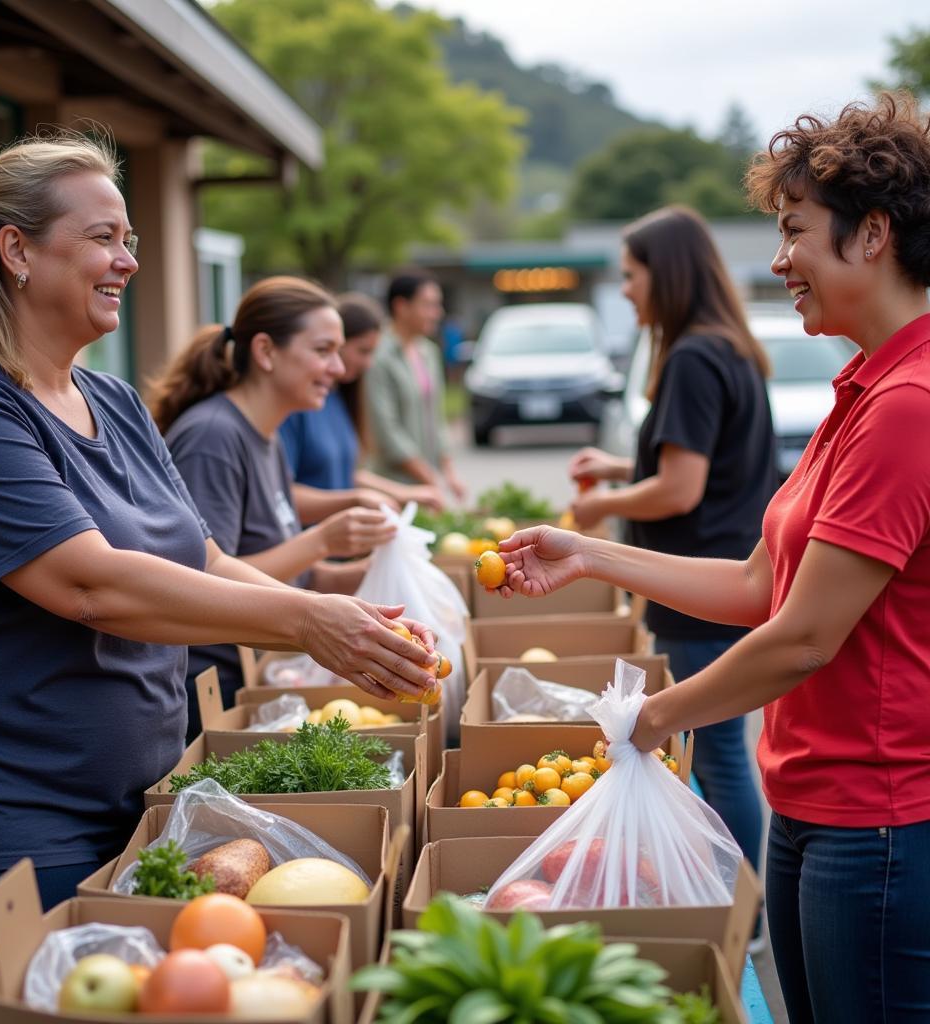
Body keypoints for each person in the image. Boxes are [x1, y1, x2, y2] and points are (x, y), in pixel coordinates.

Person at [0, 136, 437, 1024]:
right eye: (106, 238)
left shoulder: (109, 399)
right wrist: (308, 623)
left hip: (143, 805)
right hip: (5, 824)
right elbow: (90, 586)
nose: (129, 261)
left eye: (133, 240)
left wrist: (333, 615)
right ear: (17, 251)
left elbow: (204, 557)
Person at [498, 93, 930, 1022]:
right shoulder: (861, 391)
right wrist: (591, 555)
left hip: (882, 818)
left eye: (795, 231)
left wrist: (654, 719)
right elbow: (759, 586)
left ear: (874, 236)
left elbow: (805, 638)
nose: (778, 261)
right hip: (812, 801)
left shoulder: (908, 406)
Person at [565, 205, 775, 889]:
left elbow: (682, 490)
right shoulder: (728, 347)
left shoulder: (690, 358)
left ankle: (736, 905)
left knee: (718, 756)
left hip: (699, 586)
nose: (625, 290)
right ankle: (733, 898)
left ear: (669, 274)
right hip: (722, 569)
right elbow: (705, 471)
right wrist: (625, 469)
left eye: (631, 275)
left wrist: (600, 506)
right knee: (721, 754)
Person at [150, 279, 405, 739]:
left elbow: (297, 578)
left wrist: (384, 574)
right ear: (266, 351)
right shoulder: (213, 437)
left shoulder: (266, 436)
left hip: (261, 676)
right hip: (215, 694)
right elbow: (206, 577)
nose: (339, 367)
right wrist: (323, 539)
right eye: (324, 350)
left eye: (340, 351)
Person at [280, 292, 446, 526]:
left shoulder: (337, 399)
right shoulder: (298, 405)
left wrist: (401, 492)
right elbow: (280, 496)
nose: (368, 363)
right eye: (362, 351)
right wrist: (355, 500)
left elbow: (342, 474)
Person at [364, 272, 466, 500]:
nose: (437, 313)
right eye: (428, 305)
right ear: (401, 306)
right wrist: (429, 477)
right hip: (392, 486)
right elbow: (386, 430)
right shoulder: (378, 355)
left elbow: (436, 417)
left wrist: (448, 473)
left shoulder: (428, 352)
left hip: (426, 485)